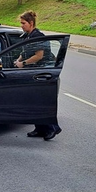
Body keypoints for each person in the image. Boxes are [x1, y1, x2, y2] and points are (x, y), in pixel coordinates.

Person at [14, 10, 62, 141]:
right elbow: (25, 51)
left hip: (42, 72)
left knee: (42, 101)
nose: (21, 25)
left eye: (23, 23)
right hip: (33, 72)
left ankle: (52, 128)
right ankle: (39, 129)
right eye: (21, 23)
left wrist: (22, 63)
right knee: (33, 101)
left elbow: (39, 56)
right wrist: (18, 60)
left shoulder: (38, 36)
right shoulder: (29, 35)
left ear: (31, 23)